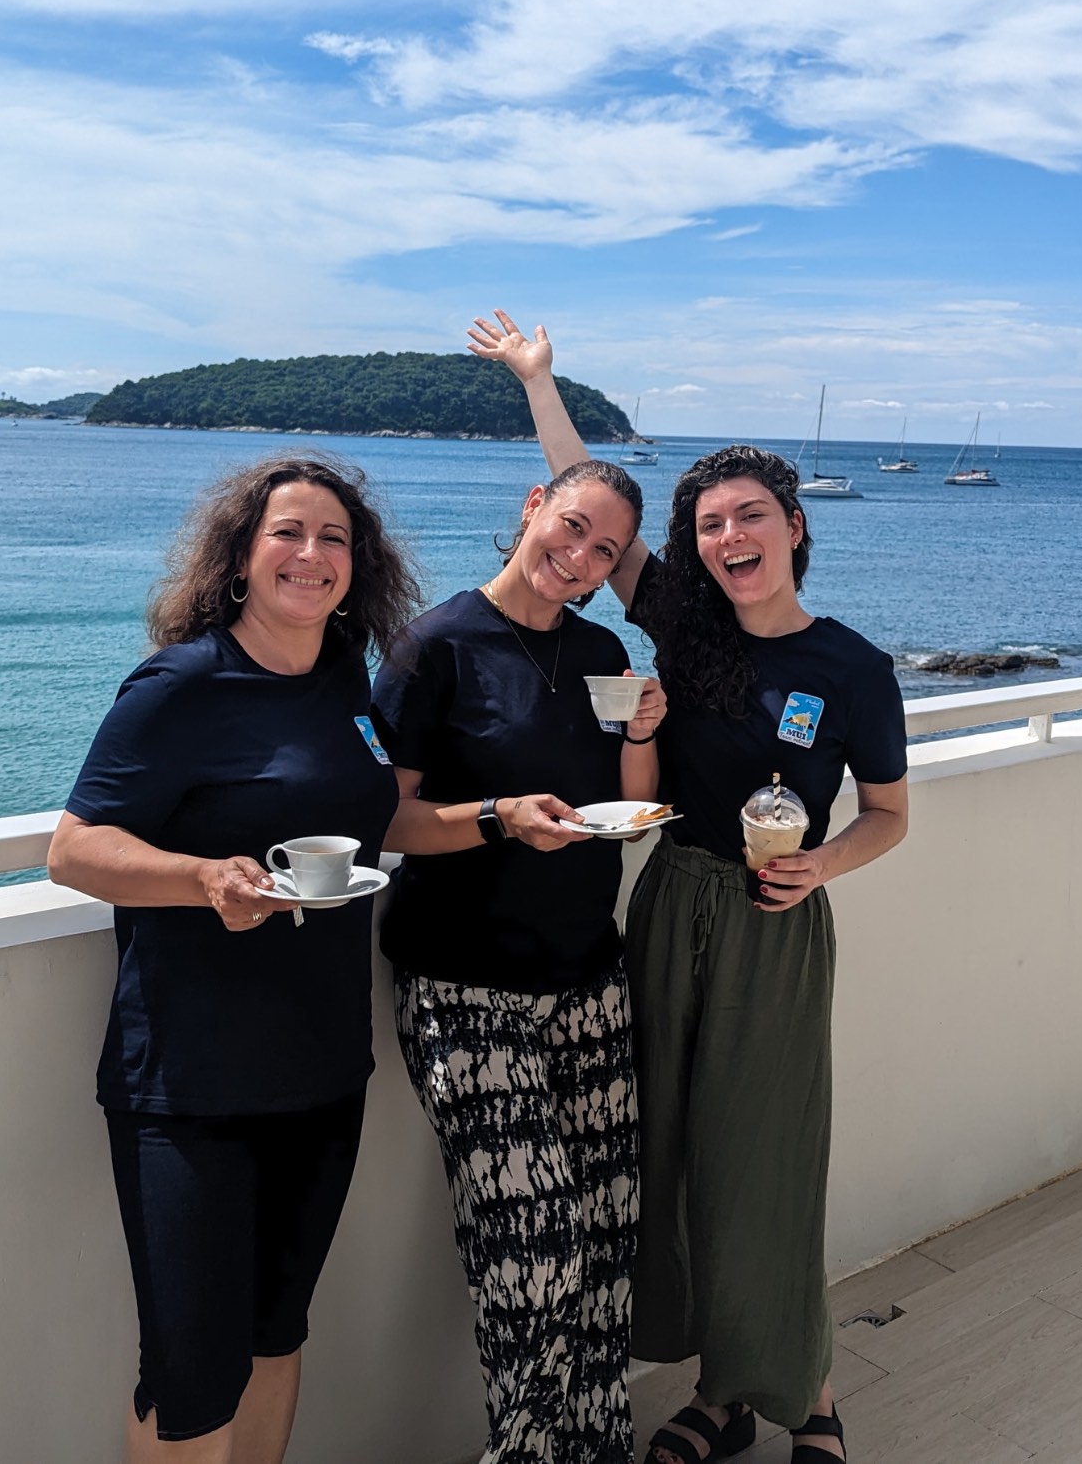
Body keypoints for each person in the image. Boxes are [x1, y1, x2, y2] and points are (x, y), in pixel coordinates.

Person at [470, 313, 911, 1464]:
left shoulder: (853, 667)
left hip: (776, 922)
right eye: (709, 523)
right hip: (671, 902)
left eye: (749, 516)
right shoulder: (683, 624)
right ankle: (721, 1395)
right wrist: (538, 381)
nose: (727, 537)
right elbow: (586, 514)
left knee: (763, 1159)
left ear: (794, 528)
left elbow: (891, 814)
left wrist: (825, 862)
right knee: (667, 1155)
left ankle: (805, 1392)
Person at [46, 456, 421, 1464]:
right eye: (287, 534)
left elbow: (381, 819)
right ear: (243, 558)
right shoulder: (182, 685)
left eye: (333, 537)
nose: (312, 554)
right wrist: (203, 879)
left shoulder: (345, 681)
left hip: (323, 1068)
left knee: (275, 1334)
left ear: (358, 562)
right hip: (191, 1084)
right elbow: (75, 849)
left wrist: (503, 816)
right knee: (190, 1369)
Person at [370, 458, 667, 1463]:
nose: (578, 558)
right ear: (532, 506)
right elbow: (387, 822)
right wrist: (496, 818)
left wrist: (642, 733)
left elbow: (628, 804)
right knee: (529, 1261)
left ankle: (597, 1446)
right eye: (571, 527)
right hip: (462, 987)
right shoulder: (432, 647)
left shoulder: (602, 648)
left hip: (588, 978)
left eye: (604, 550)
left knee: (605, 1247)